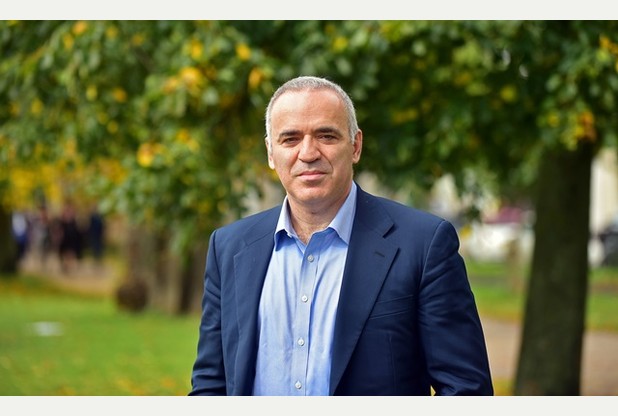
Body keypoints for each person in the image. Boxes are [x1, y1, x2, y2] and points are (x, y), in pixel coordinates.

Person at [189, 76, 493, 396]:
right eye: (290, 139)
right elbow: (211, 384)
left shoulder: (423, 245)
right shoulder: (229, 248)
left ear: (355, 145)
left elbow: (466, 390)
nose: (308, 153)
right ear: (270, 152)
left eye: (326, 135)